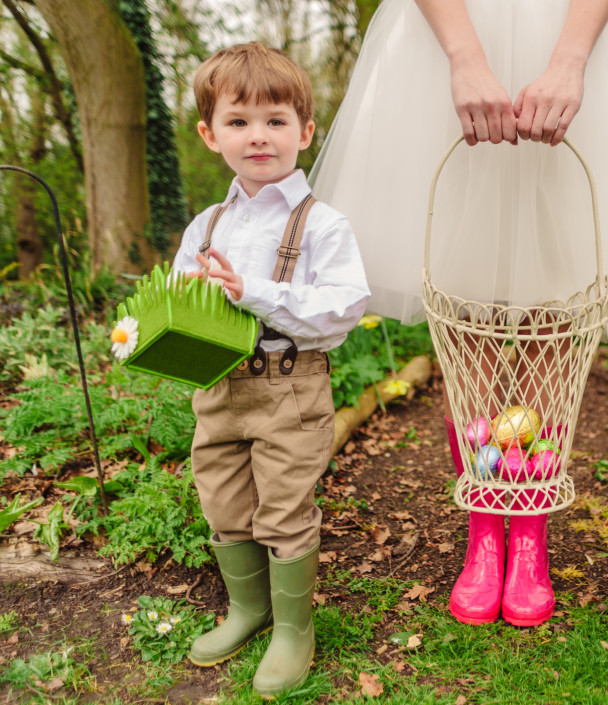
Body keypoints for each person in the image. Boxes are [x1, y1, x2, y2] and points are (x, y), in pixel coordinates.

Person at [310, 0, 608, 627]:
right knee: (461, 308)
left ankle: (528, 540)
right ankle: (483, 534)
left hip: (566, 31)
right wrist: (465, 58)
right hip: (442, 36)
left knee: (557, 307)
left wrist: (571, 58)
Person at [171, 42, 370, 697]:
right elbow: (180, 304)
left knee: (284, 508)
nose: (258, 135)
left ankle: (292, 629)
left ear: (305, 131)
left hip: (290, 387)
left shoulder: (323, 225)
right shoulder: (206, 225)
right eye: (239, 121)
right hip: (218, 391)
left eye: (276, 120)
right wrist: (150, 336)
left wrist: (250, 290)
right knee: (224, 502)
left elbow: (341, 312)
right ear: (210, 134)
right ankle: (248, 608)